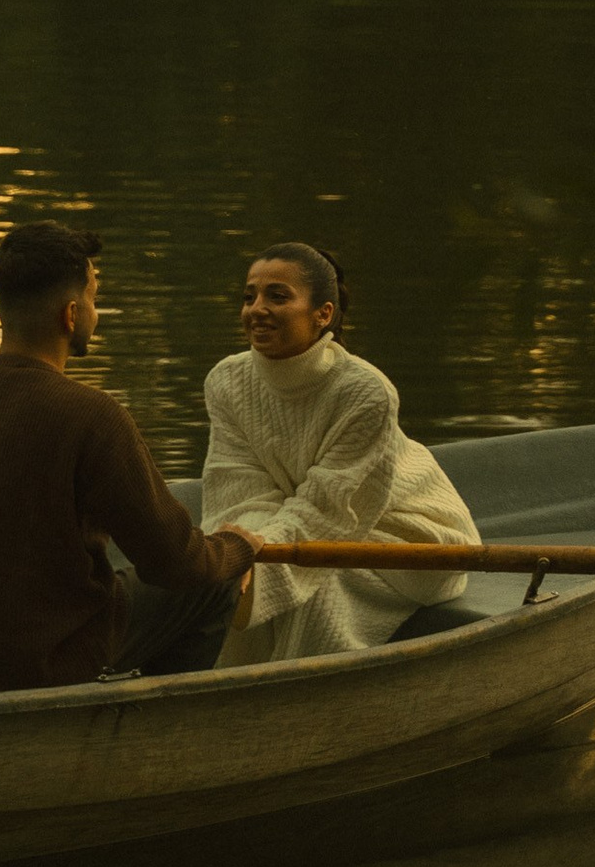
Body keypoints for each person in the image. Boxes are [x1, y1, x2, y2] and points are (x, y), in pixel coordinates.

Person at [0, 219, 260, 696]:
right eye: (95, 297)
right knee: (213, 582)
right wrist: (239, 548)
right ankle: (157, 733)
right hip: (43, 667)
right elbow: (174, 562)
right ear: (71, 314)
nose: (97, 311)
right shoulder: (93, 416)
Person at [199, 242, 479, 668]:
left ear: (323, 314)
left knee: (318, 596)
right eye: (249, 296)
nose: (256, 309)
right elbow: (238, 490)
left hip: (406, 535)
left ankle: (302, 708)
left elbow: (330, 510)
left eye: (277, 296)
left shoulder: (366, 391)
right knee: (224, 587)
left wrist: (256, 564)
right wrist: (238, 556)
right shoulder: (226, 381)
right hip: (294, 525)